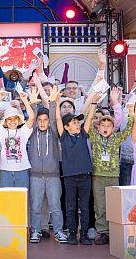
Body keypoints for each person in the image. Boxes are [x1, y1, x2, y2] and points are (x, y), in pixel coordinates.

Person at [88, 90, 136, 245]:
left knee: (114, 205)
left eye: (109, 125)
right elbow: (88, 124)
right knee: (100, 205)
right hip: (98, 176)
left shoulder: (116, 138)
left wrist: (132, 114)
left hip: (113, 175)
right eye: (103, 124)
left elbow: (128, 128)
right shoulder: (94, 136)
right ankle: (102, 232)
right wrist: (93, 104)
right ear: (99, 126)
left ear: (113, 127)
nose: (106, 127)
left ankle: (114, 231)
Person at [54, 86, 99, 245]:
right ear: (66, 127)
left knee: (85, 207)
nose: (77, 123)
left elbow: (88, 118)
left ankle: (84, 234)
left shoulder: (83, 134)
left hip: (85, 176)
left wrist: (93, 103)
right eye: (73, 122)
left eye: (76, 121)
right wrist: (56, 101)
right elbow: (59, 120)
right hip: (70, 178)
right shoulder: (64, 137)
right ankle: (72, 234)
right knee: (71, 207)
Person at [27, 106, 67, 244]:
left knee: (55, 206)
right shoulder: (31, 132)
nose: (43, 123)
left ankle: (58, 231)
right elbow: (31, 116)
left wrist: (53, 101)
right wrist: (32, 101)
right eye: (40, 120)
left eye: (45, 120)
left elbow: (55, 117)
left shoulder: (54, 132)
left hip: (53, 176)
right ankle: (36, 231)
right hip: (35, 175)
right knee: (36, 206)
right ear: (36, 121)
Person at [0, 90, 35, 188]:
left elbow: (32, 118)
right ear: (5, 121)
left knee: (21, 199)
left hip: (22, 169)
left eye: (15, 119)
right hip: (5, 170)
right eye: (9, 119)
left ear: (18, 120)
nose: (12, 121)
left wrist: (24, 100)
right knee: (6, 199)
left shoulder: (23, 131)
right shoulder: (2, 132)